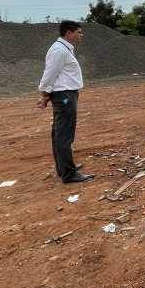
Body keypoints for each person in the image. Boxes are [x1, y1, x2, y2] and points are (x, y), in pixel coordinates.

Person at [37, 20, 93, 184]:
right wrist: (44, 94)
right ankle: (69, 173)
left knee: (59, 133)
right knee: (64, 135)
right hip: (64, 95)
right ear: (69, 33)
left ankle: (63, 168)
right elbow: (49, 74)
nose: (81, 35)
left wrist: (46, 95)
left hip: (65, 94)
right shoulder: (59, 51)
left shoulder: (63, 49)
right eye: (79, 32)